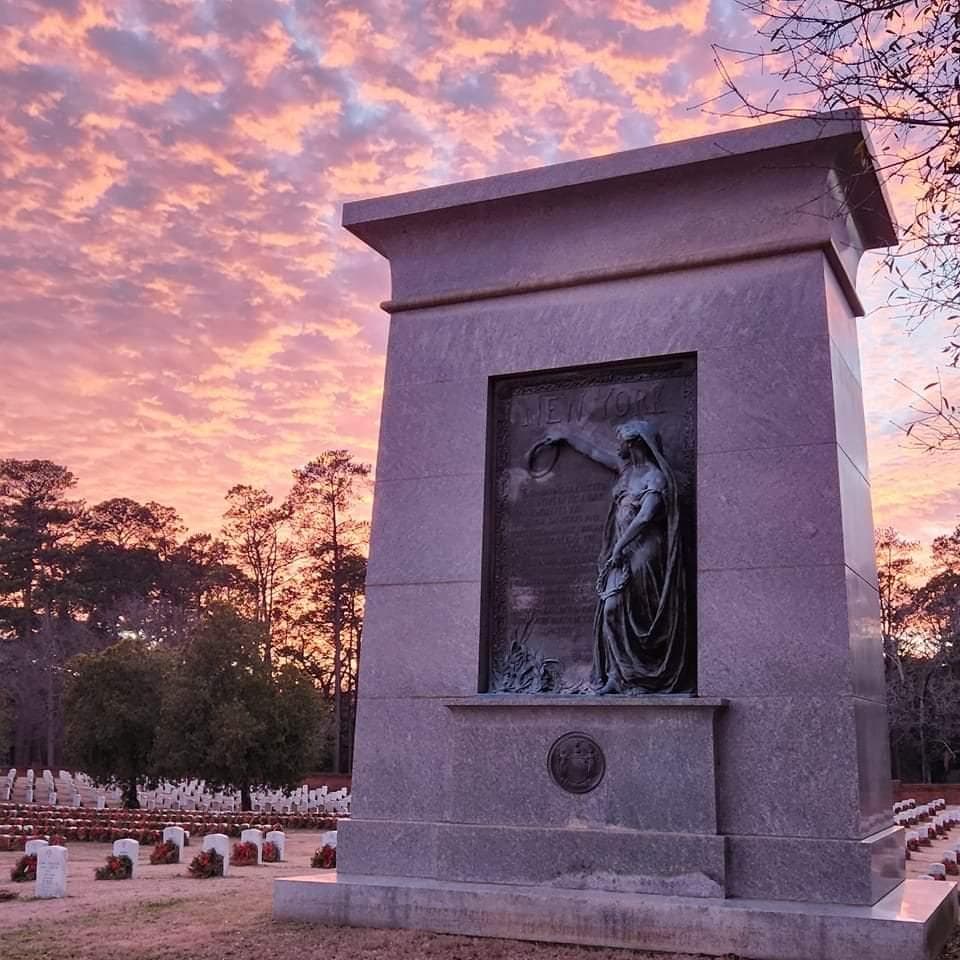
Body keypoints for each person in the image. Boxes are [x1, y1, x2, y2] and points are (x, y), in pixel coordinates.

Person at [539, 419, 691, 694]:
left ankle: (643, 677)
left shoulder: (655, 477)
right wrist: (567, 436)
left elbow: (645, 518)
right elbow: (595, 453)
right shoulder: (626, 470)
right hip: (621, 550)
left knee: (640, 613)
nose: (617, 444)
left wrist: (620, 546)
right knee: (611, 609)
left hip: (645, 551)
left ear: (635, 444)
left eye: (621, 439)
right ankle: (617, 676)